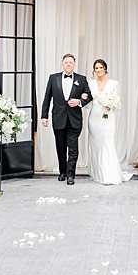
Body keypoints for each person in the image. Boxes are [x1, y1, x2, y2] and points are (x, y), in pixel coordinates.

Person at [40, 53, 91, 185]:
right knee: (60, 147)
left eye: (71, 62)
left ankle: (70, 175)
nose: (68, 64)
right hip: (58, 118)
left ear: (74, 64)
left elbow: (89, 96)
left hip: (74, 119)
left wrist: (79, 101)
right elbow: (47, 98)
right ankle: (62, 171)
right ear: (62, 64)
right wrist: (44, 116)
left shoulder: (81, 79)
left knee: (73, 148)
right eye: (66, 62)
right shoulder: (53, 78)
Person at [87, 58, 132, 185]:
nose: (99, 70)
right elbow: (88, 103)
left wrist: (111, 105)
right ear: (94, 70)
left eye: (101, 67)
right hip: (94, 118)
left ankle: (108, 175)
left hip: (107, 117)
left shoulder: (113, 83)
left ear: (105, 69)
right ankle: (98, 173)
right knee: (96, 145)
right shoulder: (91, 83)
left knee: (107, 143)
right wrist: (83, 98)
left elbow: (117, 102)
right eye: (96, 68)